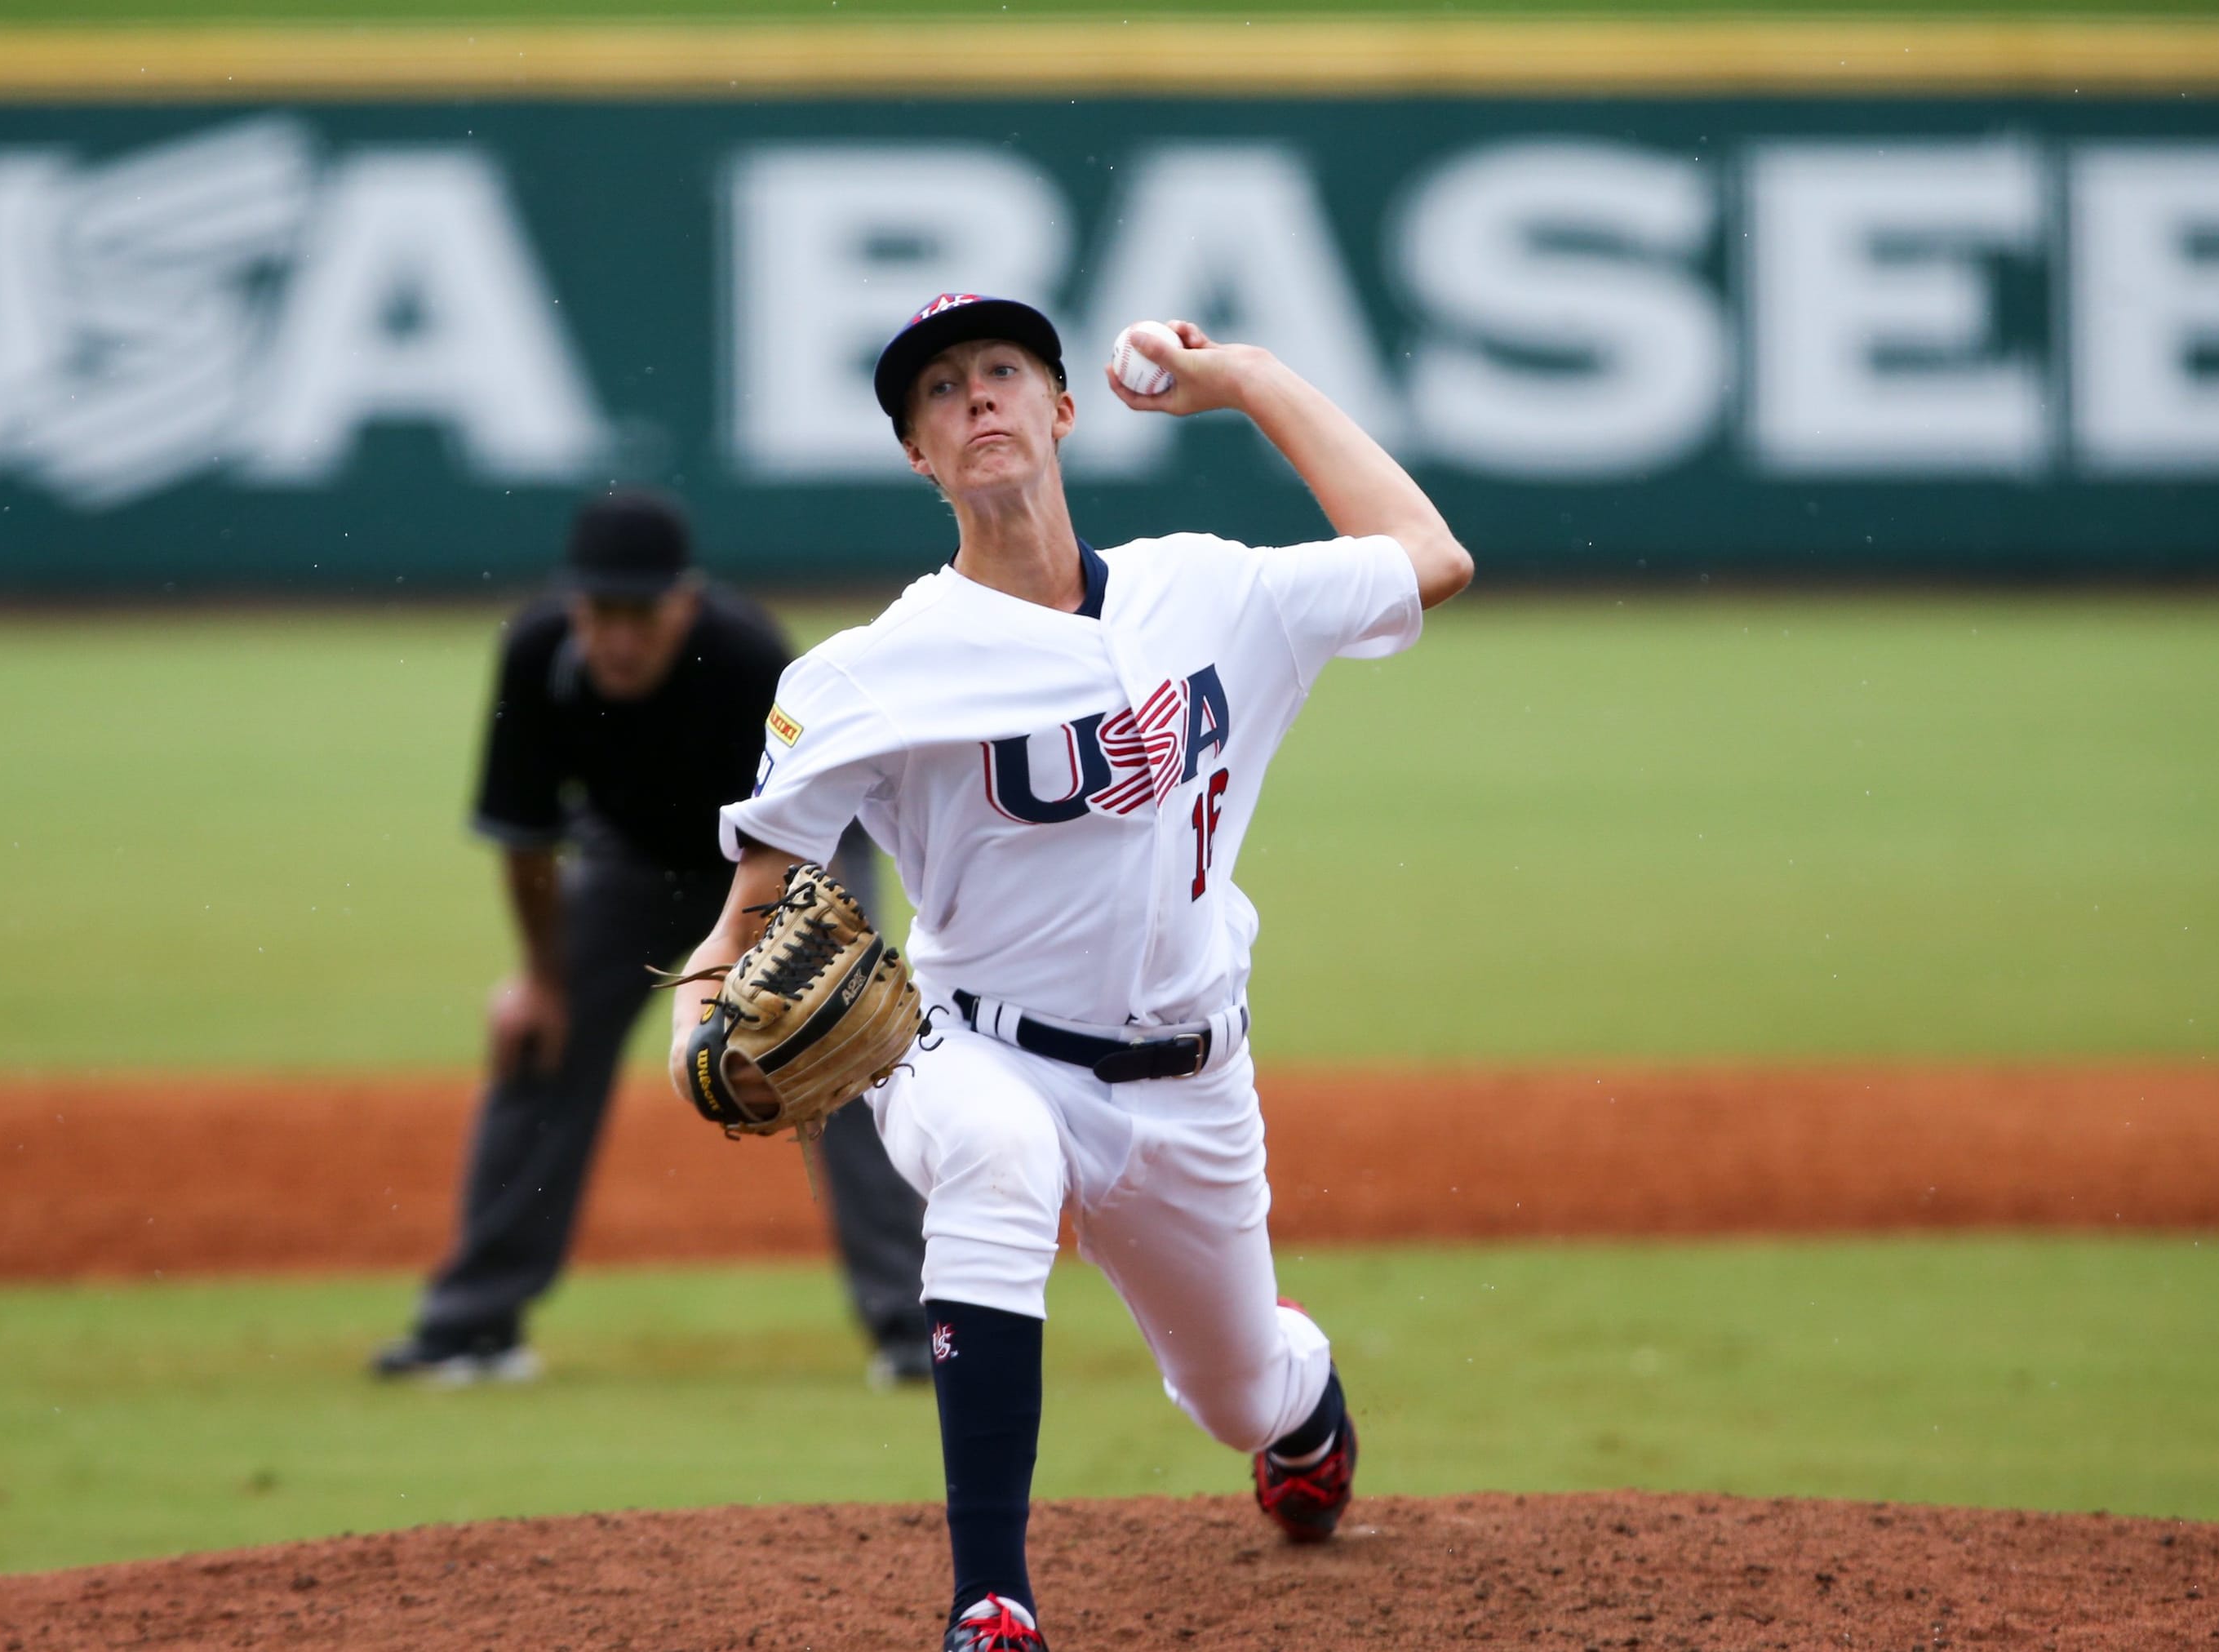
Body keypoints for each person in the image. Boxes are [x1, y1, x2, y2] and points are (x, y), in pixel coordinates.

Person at [662, 295, 1472, 1650]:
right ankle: (993, 1599)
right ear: (918, 454)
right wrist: (698, 1027)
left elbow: (1427, 554)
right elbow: (745, 919)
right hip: (975, 1042)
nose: (973, 399)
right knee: (995, 1152)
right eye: (936, 391)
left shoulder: (1211, 592)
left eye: (999, 372)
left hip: (1191, 1078)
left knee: (1236, 1392)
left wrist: (1255, 377)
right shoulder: (867, 672)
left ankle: (1303, 1393)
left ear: (1061, 410)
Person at [374, 490, 935, 1389]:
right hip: (633, 865)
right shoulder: (537, 652)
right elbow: (527, 844)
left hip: (783, 863)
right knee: (537, 1042)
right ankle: (472, 1323)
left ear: (685, 602)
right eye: (602, 613)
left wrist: (770, 950)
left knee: (840, 1046)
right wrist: (542, 981)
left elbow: (813, 813)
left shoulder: (749, 654)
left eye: (642, 614)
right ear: (573, 604)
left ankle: (914, 1326)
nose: (619, 639)